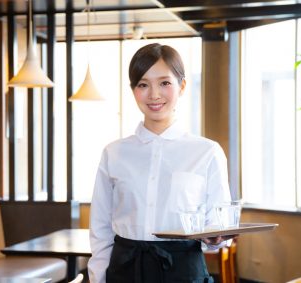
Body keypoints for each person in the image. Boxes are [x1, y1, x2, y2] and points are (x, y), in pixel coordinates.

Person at [88, 43, 232, 283]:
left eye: (165, 83)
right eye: (143, 84)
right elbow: (100, 230)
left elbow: (216, 223)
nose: (154, 94)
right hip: (125, 271)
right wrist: (98, 278)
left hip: (184, 272)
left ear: (182, 86)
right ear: (133, 90)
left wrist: (215, 237)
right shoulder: (113, 153)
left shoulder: (207, 152)